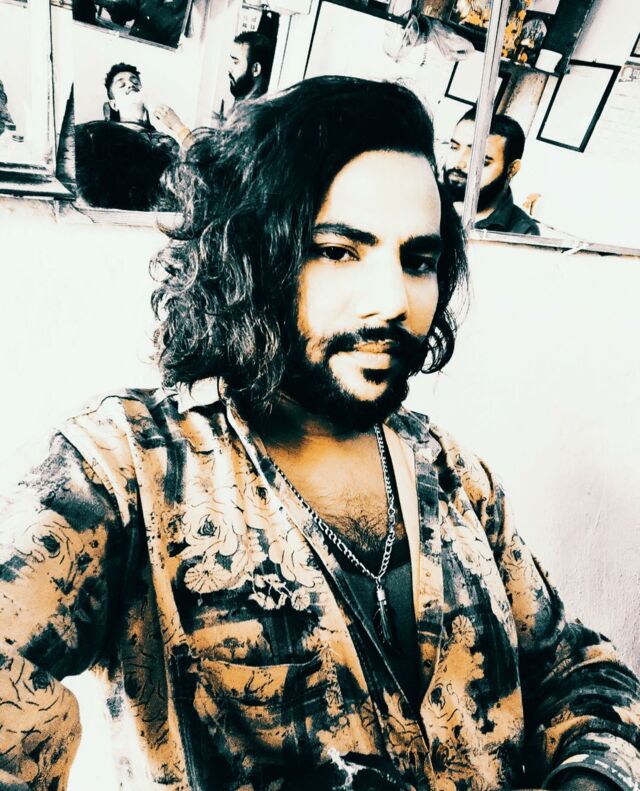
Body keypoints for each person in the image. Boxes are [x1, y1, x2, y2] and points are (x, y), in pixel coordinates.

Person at [0, 76, 638, 790]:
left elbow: (579, 670)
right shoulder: (127, 468)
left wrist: (589, 778)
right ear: (256, 254)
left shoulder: (448, 471)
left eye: (418, 260)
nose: (393, 300)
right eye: (338, 250)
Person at [75, 62, 192, 210]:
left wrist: (178, 126)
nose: (130, 85)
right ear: (114, 105)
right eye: (121, 85)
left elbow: (194, 176)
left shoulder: (167, 141)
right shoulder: (95, 133)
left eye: (135, 82)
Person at [444, 107, 541, 235]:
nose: (459, 163)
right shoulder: (425, 198)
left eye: (480, 160)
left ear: (512, 169)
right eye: (454, 147)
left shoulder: (522, 232)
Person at [87, 0, 190, 48]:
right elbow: (129, 8)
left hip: (151, 63)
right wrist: (111, 5)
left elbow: (171, 55)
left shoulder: (188, 15)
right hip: (128, 47)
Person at [229, 31, 275, 101]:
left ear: (255, 69)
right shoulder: (244, 105)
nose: (229, 69)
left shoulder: (258, 107)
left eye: (235, 62)